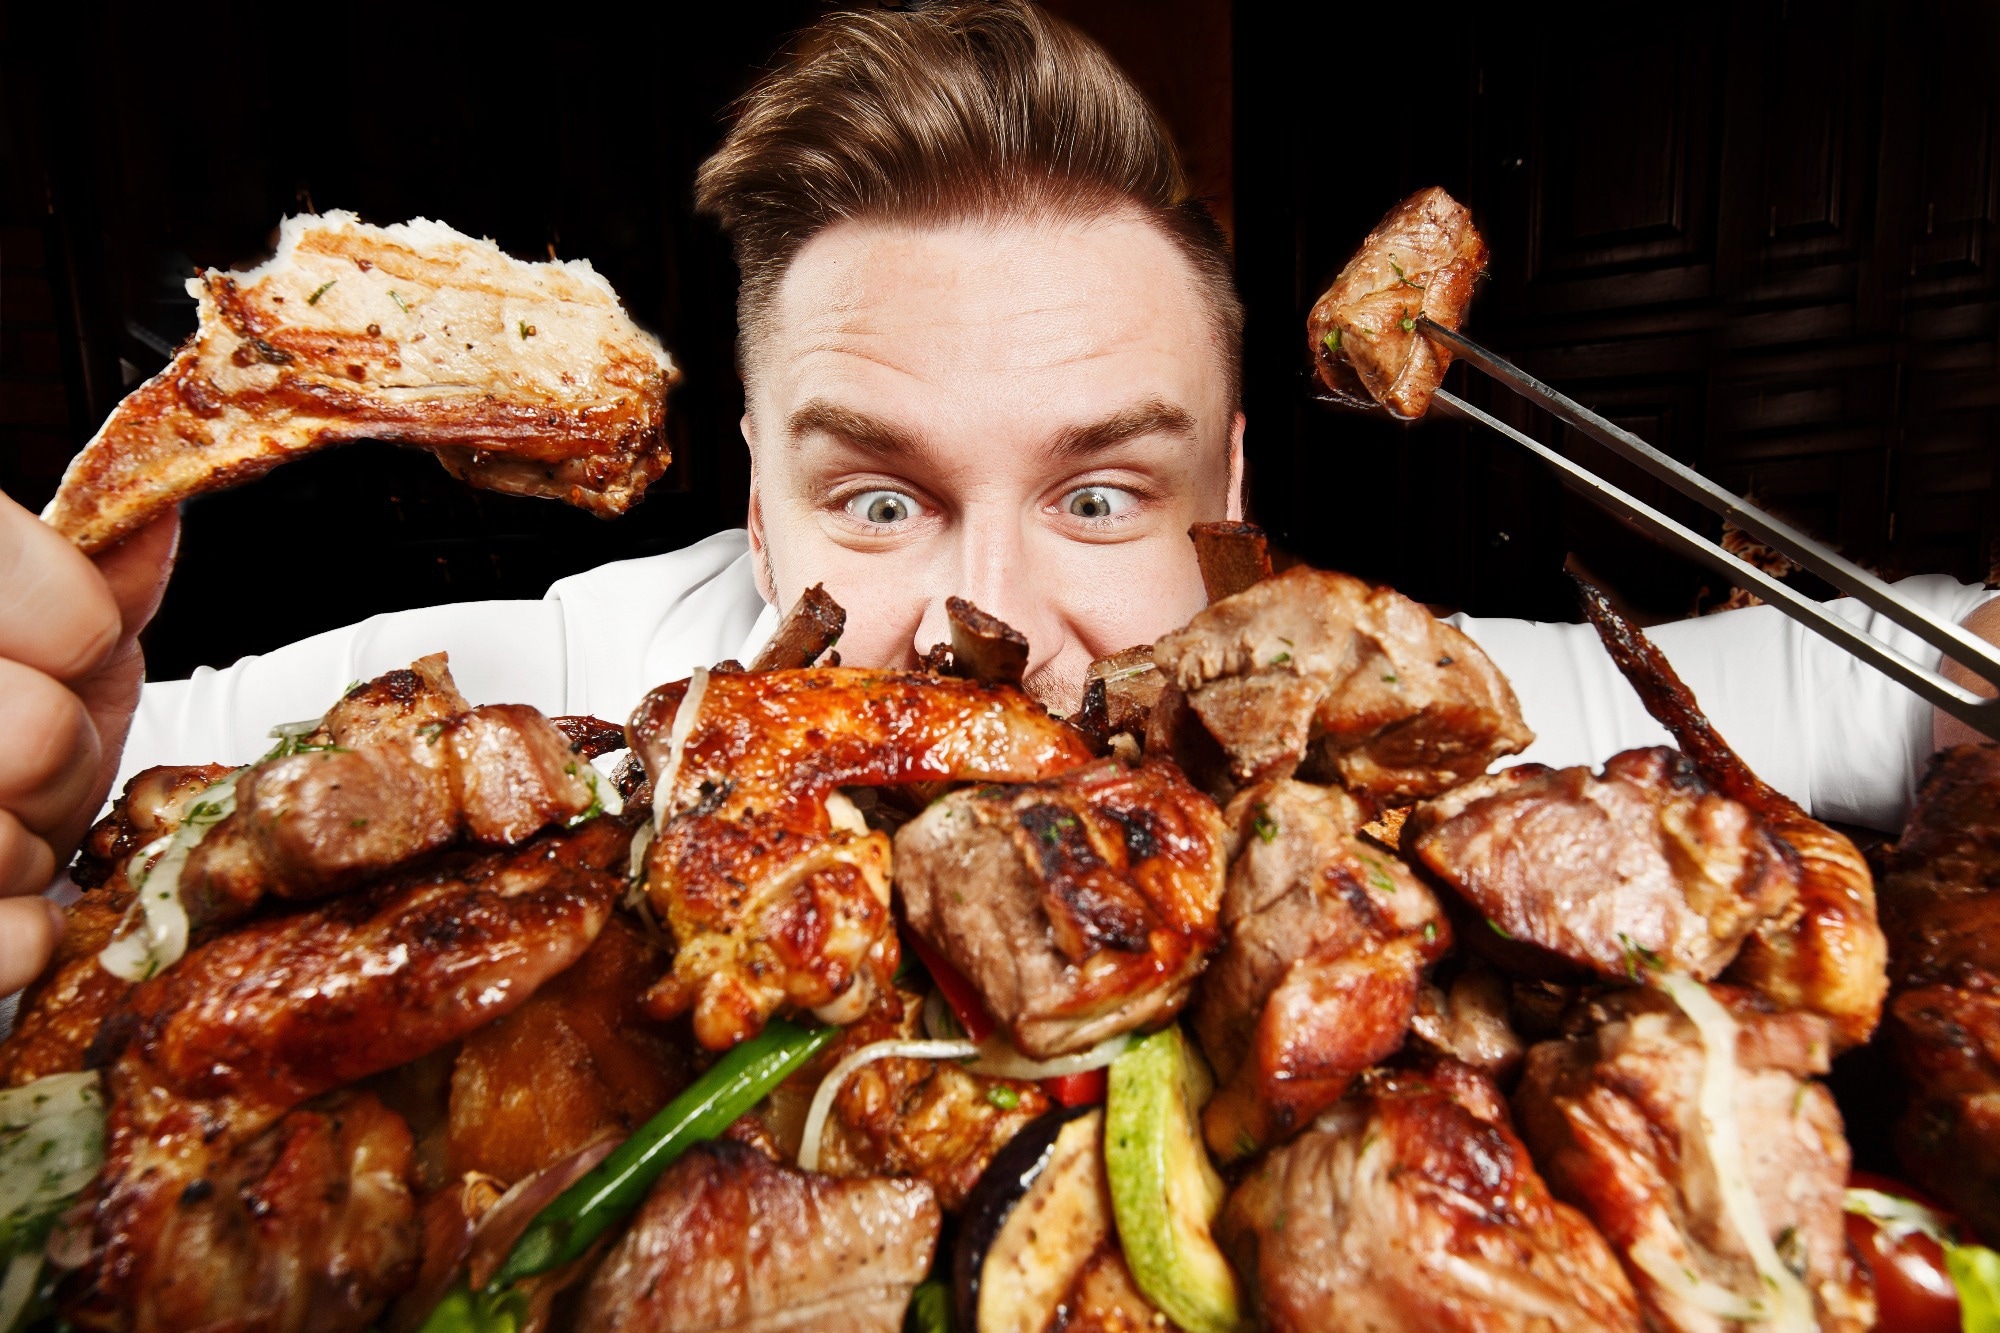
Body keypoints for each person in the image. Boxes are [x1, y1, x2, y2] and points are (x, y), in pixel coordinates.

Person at [0, 0, 1992, 1000]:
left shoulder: (1369, 713)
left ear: (1229, 489)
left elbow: (1899, 675)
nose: (1006, 624)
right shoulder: (566, 691)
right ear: (758, 503)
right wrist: (41, 763)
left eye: (1103, 493)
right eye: (876, 502)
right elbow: (109, 768)